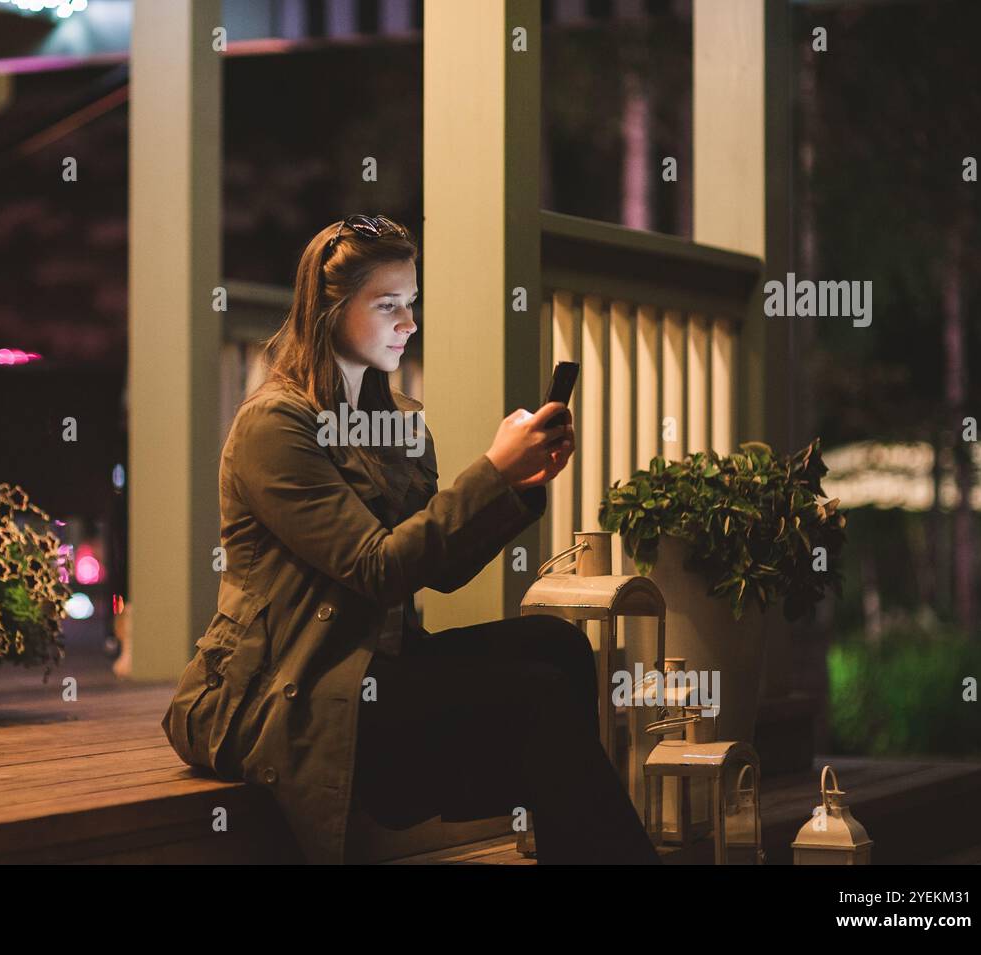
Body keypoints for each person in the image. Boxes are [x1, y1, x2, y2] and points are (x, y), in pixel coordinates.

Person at [160, 214, 660, 865]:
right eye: (386, 304)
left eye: (410, 303)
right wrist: (491, 473)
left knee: (558, 643)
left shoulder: (402, 423)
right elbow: (376, 568)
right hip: (286, 691)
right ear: (333, 311)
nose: (408, 323)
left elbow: (440, 568)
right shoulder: (275, 427)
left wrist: (518, 487)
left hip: (376, 669)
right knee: (532, 693)